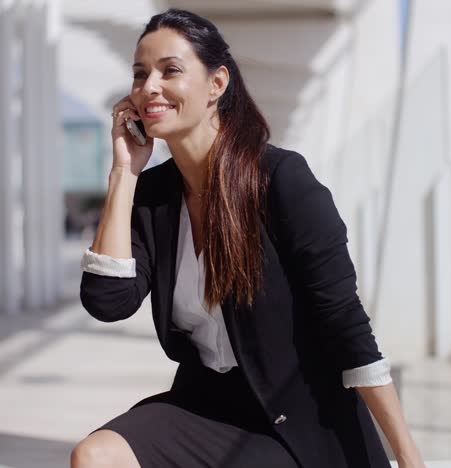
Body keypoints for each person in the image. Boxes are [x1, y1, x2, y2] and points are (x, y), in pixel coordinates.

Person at [70, 8, 426, 468]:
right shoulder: (152, 195)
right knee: (95, 455)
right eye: (140, 74)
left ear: (216, 85)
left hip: (300, 421)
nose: (148, 87)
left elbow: (346, 326)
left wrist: (407, 456)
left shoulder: (281, 180)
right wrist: (124, 173)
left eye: (169, 70)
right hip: (204, 406)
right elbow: (108, 302)